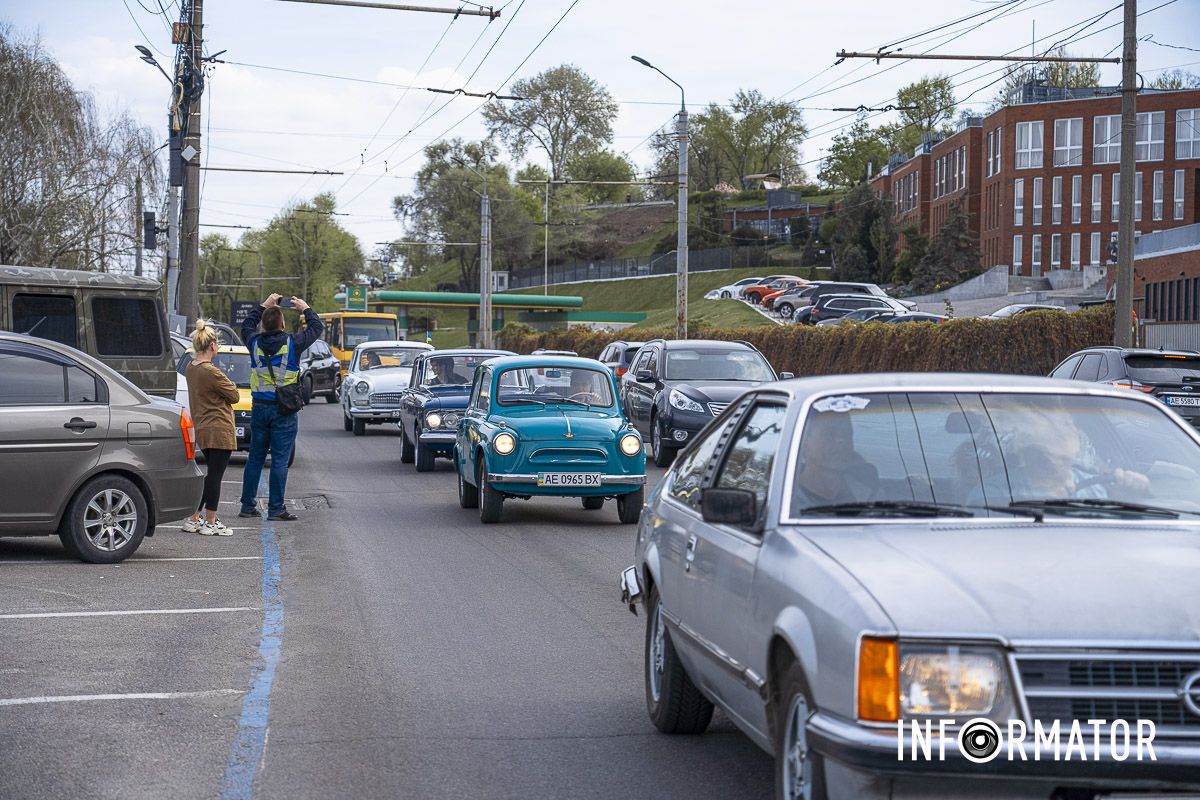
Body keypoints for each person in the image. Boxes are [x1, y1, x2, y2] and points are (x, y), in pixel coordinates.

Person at [238, 294, 325, 522]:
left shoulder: (254, 342)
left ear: (263, 324)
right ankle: (276, 509)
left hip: (259, 408)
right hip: (284, 410)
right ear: (283, 325)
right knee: (279, 459)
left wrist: (263, 306)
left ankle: (247, 506)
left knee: (255, 457)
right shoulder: (292, 343)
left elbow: (246, 324)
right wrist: (305, 308)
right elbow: (317, 327)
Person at [181, 320, 240, 536]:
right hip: (219, 427)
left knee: (210, 475)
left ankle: (195, 517)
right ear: (213, 345)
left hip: (203, 427)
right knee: (216, 476)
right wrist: (230, 385)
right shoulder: (211, 371)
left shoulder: (191, 367)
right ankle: (211, 521)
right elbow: (233, 395)